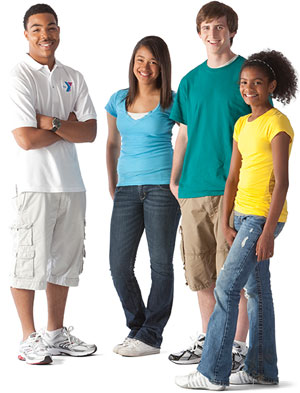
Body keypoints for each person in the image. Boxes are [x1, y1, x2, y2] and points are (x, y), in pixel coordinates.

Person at [175, 50, 297, 390]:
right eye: (244, 83)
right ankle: (261, 371)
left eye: (257, 83)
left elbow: (283, 182)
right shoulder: (242, 124)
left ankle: (211, 372)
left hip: (262, 217)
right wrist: (226, 221)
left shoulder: (278, 123)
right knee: (258, 292)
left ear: (272, 85)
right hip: (240, 216)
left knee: (227, 288)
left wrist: (269, 231)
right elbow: (232, 178)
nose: (249, 89)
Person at [9, 4, 97, 365]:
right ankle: (29, 338)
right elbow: (25, 139)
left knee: (65, 263)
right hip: (34, 186)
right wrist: (66, 127)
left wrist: (52, 123)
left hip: (71, 186)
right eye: (37, 29)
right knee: (28, 262)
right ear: (26, 34)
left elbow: (89, 132)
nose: (46, 35)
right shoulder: (19, 75)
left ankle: (56, 334)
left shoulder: (73, 75)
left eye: (52, 28)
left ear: (59, 31)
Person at [168, 1, 250, 370]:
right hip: (193, 189)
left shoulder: (247, 75)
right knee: (201, 274)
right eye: (206, 28)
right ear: (199, 33)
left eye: (220, 27)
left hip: (235, 189)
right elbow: (183, 133)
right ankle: (210, 340)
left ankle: (234, 348)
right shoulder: (189, 81)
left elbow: (259, 132)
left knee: (232, 276)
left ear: (231, 30)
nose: (213, 35)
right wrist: (175, 176)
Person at [106, 36, 180, 357]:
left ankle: (151, 335)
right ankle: (138, 328)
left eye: (152, 61)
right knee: (119, 265)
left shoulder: (172, 101)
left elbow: (194, 137)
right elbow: (111, 144)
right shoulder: (118, 99)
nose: (145, 67)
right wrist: (113, 185)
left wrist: (180, 182)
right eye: (140, 59)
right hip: (126, 190)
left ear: (162, 65)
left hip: (163, 188)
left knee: (160, 264)